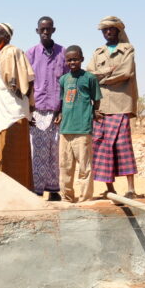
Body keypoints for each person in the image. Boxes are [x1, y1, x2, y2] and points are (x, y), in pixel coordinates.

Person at [88, 16, 138, 198]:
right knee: (102, 147)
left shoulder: (127, 49)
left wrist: (102, 78)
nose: (108, 32)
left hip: (120, 104)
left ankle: (131, 189)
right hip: (101, 106)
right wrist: (108, 72)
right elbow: (90, 73)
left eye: (111, 29)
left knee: (123, 146)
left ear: (118, 30)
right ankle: (110, 189)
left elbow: (126, 72)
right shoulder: (98, 52)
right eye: (105, 30)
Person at [26, 16, 68, 200]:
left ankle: (53, 189)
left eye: (48, 29)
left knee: (54, 151)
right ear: (37, 31)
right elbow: (26, 83)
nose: (45, 32)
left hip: (57, 109)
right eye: (42, 29)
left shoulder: (63, 53)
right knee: (38, 151)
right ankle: (37, 190)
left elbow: (67, 82)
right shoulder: (31, 54)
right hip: (38, 110)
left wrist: (62, 110)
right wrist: (28, 110)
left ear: (53, 30)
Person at [0, 23, 35, 190]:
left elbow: (28, 80)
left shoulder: (12, 52)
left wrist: (25, 101)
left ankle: (19, 194)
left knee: (17, 157)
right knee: (6, 155)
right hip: (4, 114)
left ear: (7, 37)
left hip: (16, 113)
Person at [54, 46, 100, 203]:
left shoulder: (90, 78)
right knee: (65, 167)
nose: (72, 62)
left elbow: (96, 99)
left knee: (84, 167)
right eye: (69, 60)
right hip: (65, 129)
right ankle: (67, 197)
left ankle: (85, 198)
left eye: (75, 59)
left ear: (82, 59)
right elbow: (62, 101)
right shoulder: (63, 79)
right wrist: (60, 114)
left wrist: (94, 112)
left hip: (82, 129)